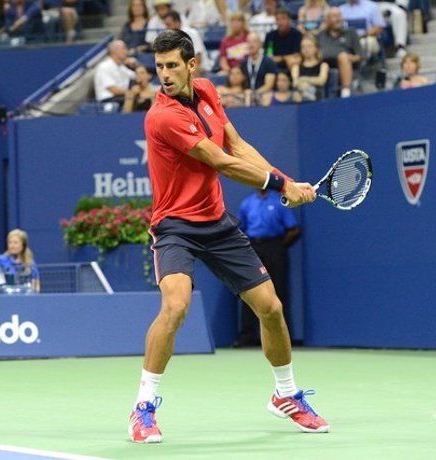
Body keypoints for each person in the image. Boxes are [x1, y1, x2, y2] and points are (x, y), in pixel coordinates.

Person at [128, 28, 326, 444]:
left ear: (191, 64)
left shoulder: (206, 91)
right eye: (158, 66)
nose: (163, 74)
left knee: (270, 307)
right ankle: (143, 407)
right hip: (175, 227)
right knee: (176, 305)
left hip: (216, 222)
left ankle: (286, 394)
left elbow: (236, 144)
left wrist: (286, 182)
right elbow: (219, 160)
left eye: (171, 65)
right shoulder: (163, 116)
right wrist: (280, 185)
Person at [234, 188, 300, 347]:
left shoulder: (280, 201)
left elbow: (294, 229)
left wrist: (278, 247)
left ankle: (282, 338)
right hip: (253, 249)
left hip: (275, 248)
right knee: (249, 291)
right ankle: (247, 337)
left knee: (278, 292)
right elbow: (237, 229)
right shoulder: (247, 203)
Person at [315, 7, 361, 98]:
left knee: (343, 57)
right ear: (327, 20)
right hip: (324, 64)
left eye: (339, 16)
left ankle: (346, 92)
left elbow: (359, 55)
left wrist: (349, 57)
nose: (338, 19)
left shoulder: (350, 32)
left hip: (345, 63)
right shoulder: (321, 35)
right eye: (335, 16)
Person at [163, 10, 212, 76]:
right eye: (165, 26)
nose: (166, 28)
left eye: (168, 25)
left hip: (202, 70)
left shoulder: (190, 33)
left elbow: (198, 58)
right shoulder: (172, 37)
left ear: (177, 23)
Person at [93, 40, 137, 109]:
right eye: (124, 48)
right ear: (114, 51)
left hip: (121, 97)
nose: (126, 51)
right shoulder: (104, 66)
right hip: (107, 99)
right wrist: (131, 92)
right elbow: (113, 89)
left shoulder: (121, 67)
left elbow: (137, 77)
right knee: (133, 98)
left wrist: (136, 65)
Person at [0, 228, 40, 292]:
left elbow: (36, 286)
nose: (12, 246)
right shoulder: (0, 260)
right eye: (10, 243)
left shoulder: (30, 263)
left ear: (23, 245)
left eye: (15, 243)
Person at [291, 34, 329, 101]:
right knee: (298, 91)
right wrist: (305, 84)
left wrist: (304, 79)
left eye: (309, 46)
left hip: (318, 95)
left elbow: (321, 81)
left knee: (305, 86)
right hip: (300, 95)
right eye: (303, 47)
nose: (306, 49)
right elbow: (295, 82)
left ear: (316, 48)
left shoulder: (323, 65)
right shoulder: (296, 67)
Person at [240, 31, 277, 98]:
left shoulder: (268, 62)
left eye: (254, 41)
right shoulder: (243, 64)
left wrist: (254, 94)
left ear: (260, 44)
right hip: (246, 97)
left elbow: (269, 85)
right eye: (249, 42)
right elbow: (239, 84)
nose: (251, 45)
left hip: (263, 96)